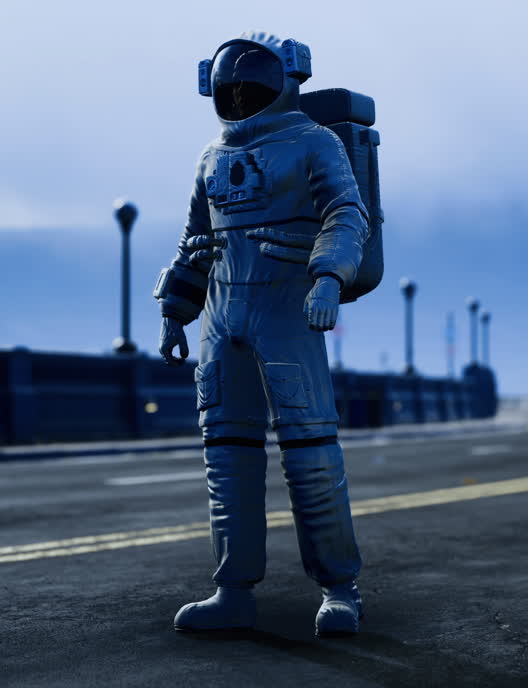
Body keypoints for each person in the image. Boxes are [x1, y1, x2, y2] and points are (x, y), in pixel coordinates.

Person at [153, 31, 369, 637]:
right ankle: (233, 590)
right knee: (227, 458)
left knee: (310, 455)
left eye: (251, 78)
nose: (239, 89)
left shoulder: (314, 143)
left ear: (285, 80)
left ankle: (339, 589)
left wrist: (327, 278)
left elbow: (345, 214)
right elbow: (197, 240)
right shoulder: (211, 157)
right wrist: (177, 308)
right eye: (230, 79)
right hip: (223, 320)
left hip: (286, 309)